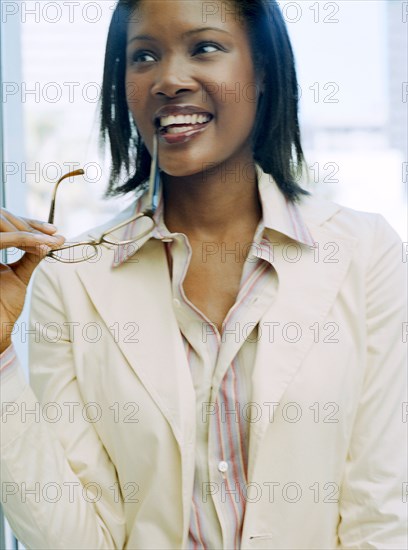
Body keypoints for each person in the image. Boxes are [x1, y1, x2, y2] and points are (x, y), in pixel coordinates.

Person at [0, 0, 406, 548]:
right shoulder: (71, 281)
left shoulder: (365, 253)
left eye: (205, 48)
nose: (169, 79)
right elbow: (74, 536)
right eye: (143, 56)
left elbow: (380, 512)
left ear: (262, 70)